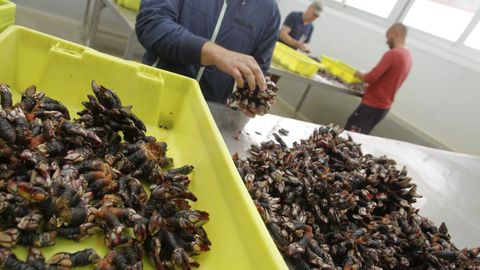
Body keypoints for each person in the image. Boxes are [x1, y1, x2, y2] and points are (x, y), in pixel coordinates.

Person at [135, 0, 281, 104]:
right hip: (153, 92)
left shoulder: (270, 11)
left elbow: (257, 69)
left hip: (209, 112)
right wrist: (216, 54)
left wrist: (250, 98)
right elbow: (151, 24)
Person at [344, 23, 413, 134]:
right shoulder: (408, 55)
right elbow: (389, 80)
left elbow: (370, 77)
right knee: (361, 134)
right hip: (383, 108)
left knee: (350, 135)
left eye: (387, 37)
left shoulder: (393, 54)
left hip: (371, 105)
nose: (386, 41)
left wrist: (359, 74)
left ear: (394, 34)